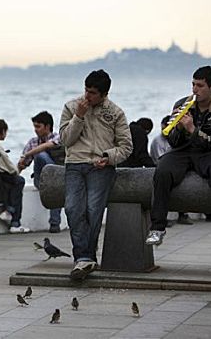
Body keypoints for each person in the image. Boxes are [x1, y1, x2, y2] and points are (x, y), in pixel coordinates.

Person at [146, 66, 211, 246]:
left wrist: (192, 129)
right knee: (163, 168)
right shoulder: (182, 103)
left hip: (210, 151)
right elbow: (173, 142)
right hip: (184, 150)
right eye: (193, 84)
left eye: (200, 85)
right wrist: (178, 127)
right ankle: (157, 228)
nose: (194, 89)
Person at [60, 69, 132, 280]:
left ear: (104, 94)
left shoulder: (115, 113)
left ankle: (83, 258)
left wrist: (109, 157)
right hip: (74, 163)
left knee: (93, 209)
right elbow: (65, 140)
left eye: (92, 93)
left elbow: (126, 147)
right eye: (86, 90)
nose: (87, 96)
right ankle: (85, 258)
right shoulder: (71, 107)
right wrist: (78, 117)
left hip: (101, 166)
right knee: (73, 208)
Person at [17, 111, 63, 233]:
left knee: (55, 186)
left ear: (47, 127)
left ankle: (54, 223)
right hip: (41, 179)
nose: (35, 130)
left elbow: (47, 146)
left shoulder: (57, 137)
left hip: (56, 177)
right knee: (41, 157)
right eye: (34, 127)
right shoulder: (33, 142)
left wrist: (27, 154)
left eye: (38, 126)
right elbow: (23, 164)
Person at [150, 115, 193, 226]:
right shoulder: (157, 140)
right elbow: (160, 158)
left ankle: (183, 214)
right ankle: (162, 218)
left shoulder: (177, 138)